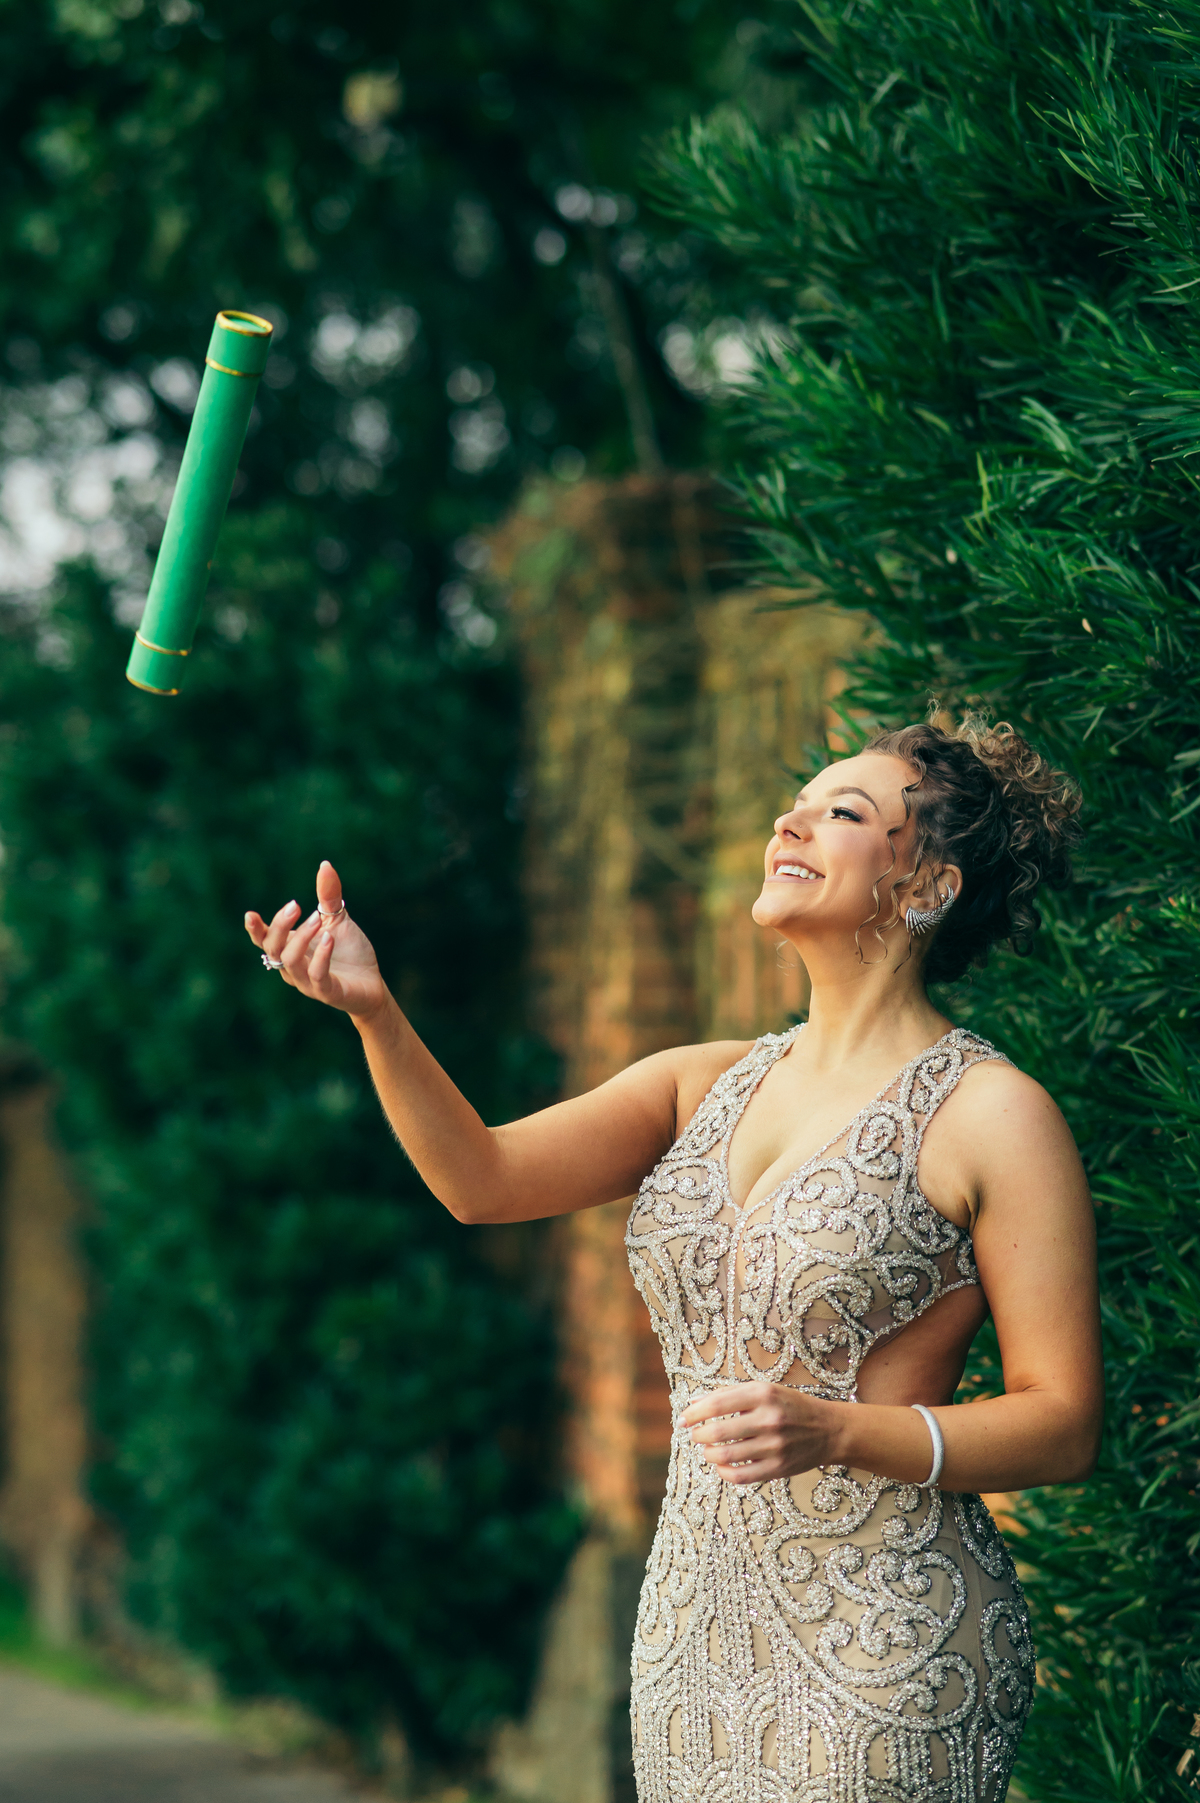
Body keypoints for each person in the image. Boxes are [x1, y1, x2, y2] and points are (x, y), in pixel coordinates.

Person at [245, 717, 1102, 1803]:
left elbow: (1062, 1422)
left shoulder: (994, 1115)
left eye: (842, 812)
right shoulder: (699, 1083)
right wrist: (375, 1014)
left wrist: (836, 1429)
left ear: (928, 886)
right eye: (796, 802)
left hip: (890, 1639)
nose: (789, 821)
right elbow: (482, 1180)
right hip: (693, 1632)